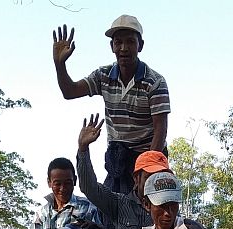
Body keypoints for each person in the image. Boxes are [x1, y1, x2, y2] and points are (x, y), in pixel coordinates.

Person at [52, 15, 170, 193]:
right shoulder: (103, 75)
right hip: (117, 157)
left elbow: (160, 129)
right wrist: (60, 64)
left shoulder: (154, 82)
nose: (123, 48)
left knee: (150, 210)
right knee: (111, 210)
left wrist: (146, 169)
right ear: (112, 46)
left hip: (148, 154)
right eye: (118, 42)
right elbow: (70, 91)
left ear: (141, 45)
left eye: (130, 42)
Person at [76, 114, 165, 229]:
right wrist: (83, 149)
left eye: (158, 176)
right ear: (136, 178)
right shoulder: (119, 203)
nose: (153, 181)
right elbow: (89, 188)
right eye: (149, 176)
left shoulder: (167, 210)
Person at [27, 156, 103, 229]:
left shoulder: (89, 207)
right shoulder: (41, 215)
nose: (63, 189)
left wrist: (95, 226)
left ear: (75, 180)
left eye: (67, 183)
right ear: (49, 183)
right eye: (57, 184)